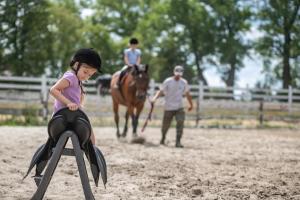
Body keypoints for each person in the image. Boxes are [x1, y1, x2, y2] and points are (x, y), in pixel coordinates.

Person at [50, 48, 102, 145]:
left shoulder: (77, 80)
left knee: (89, 133)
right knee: (89, 134)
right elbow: (53, 90)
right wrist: (68, 103)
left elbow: (75, 97)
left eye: (90, 75)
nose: (86, 77)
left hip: (72, 115)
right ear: (77, 65)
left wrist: (80, 101)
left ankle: (91, 150)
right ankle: (92, 153)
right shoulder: (71, 77)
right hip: (64, 115)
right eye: (85, 72)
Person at [151, 65, 193, 148]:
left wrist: (191, 104)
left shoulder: (184, 82)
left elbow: (187, 94)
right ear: (174, 73)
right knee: (165, 125)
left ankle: (178, 142)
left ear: (182, 74)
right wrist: (154, 98)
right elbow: (161, 91)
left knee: (180, 122)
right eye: (177, 74)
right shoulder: (168, 81)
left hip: (179, 106)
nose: (178, 76)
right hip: (168, 107)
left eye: (179, 74)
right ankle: (163, 138)